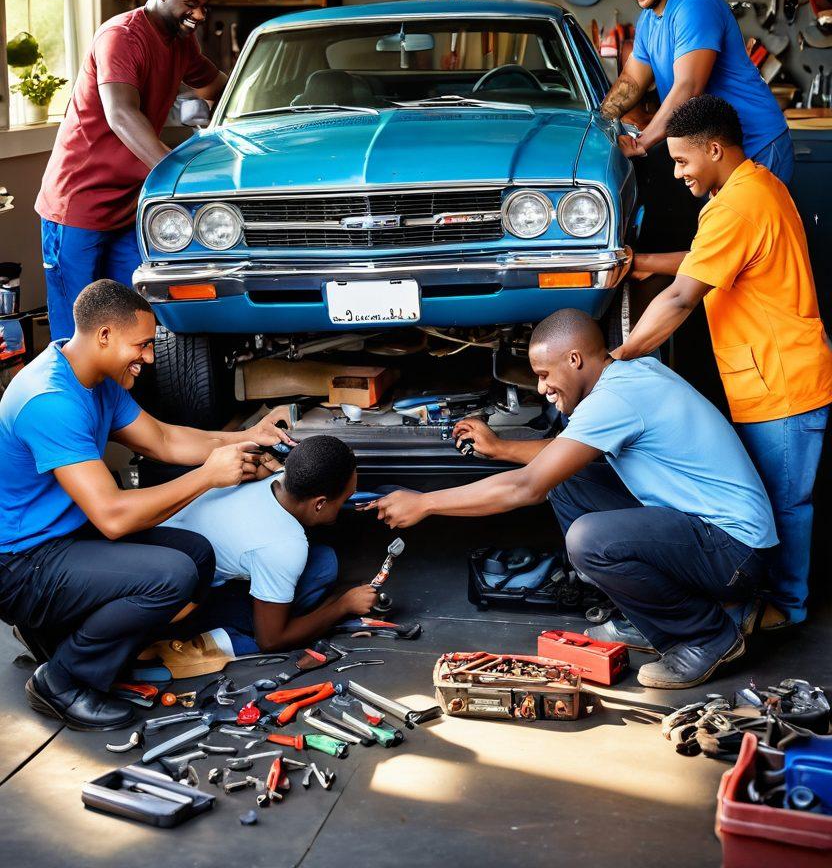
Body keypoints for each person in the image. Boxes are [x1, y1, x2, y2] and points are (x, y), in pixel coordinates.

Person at [369, 309, 777, 689]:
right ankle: (650, 618)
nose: (542, 388)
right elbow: (566, 453)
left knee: (589, 540)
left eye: (544, 375)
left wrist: (425, 503)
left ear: (575, 360)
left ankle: (707, 636)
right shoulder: (626, 376)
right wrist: (501, 448)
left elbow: (525, 487)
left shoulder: (614, 400)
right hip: (711, 536)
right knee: (569, 481)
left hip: (733, 554)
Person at [0, 279, 291, 731]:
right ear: (104, 336)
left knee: (196, 553)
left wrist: (247, 437)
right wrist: (208, 476)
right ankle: (61, 681)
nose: (150, 358)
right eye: (142, 345)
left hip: (65, 538)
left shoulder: (94, 378)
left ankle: (58, 635)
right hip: (22, 564)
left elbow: (164, 440)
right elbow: (114, 518)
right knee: (170, 576)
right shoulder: (50, 399)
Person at [613, 94, 832, 631]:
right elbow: (709, 258)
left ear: (714, 149)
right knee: (774, 500)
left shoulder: (735, 206)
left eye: (682, 160)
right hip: (775, 370)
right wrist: (646, 262)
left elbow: (681, 297)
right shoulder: (755, 185)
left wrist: (620, 356)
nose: (678, 173)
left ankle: (786, 607)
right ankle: (769, 599)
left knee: (783, 504)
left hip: (781, 380)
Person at [35, 0, 225, 341]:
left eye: (205, 6)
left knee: (134, 323)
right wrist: (180, 177)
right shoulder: (121, 37)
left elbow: (219, 86)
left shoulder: (180, 43)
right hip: (79, 205)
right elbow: (120, 114)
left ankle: (129, 387)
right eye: (191, 4)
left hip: (127, 209)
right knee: (79, 335)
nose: (200, 15)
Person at [159, 436, 377, 664]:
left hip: (161, 548)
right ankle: (222, 637)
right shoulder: (285, 546)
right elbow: (270, 641)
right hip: (178, 603)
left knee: (322, 560)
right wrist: (342, 606)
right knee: (322, 569)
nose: (347, 503)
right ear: (319, 504)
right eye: (345, 499)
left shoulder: (273, 476)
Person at [602, 0, 793, 183]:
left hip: (756, 145)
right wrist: (599, 121)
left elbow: (689, 87)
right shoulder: (648, 19)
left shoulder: (694, 4)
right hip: (714, 153)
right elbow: (632, 81)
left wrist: (642, 142)